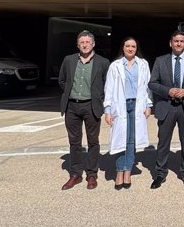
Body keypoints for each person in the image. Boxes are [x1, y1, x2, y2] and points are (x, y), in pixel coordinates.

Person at [58, 30, 110, 190]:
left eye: (88, 42)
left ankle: (92, 174)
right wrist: (71, 94)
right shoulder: (69, 60)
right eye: (82, 42)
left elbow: (107, 84)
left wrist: (99, 98)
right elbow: (62, 80)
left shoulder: (103, 62)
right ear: (78, 44)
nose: (85, 45)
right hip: (72, 106)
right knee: (74, 142)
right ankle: (75, 174)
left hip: (91, 105)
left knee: (93, 141)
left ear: (93, 44)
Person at [148, 31, 184, 189]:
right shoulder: (160, 61)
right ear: (170, 43)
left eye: (181, 41)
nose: (178, 43)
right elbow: (152, 83)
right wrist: (168, 91)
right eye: (176, 41)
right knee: (163, 142)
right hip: (166, 105)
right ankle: (160, 173)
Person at [103, 37, 152, 190]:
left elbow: (147, 86)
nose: (130, 49)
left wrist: (149, 104)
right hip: (121, 106)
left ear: (137, 48)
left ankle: (128, 171)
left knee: (131, 140)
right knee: (120, 141)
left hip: (137, 105)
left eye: (133, 46)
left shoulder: (143, 64)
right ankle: (119, 171)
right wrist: (108, 110)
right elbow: (109, 89)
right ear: (122, 48)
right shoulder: (115, 66)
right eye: (127, 46)